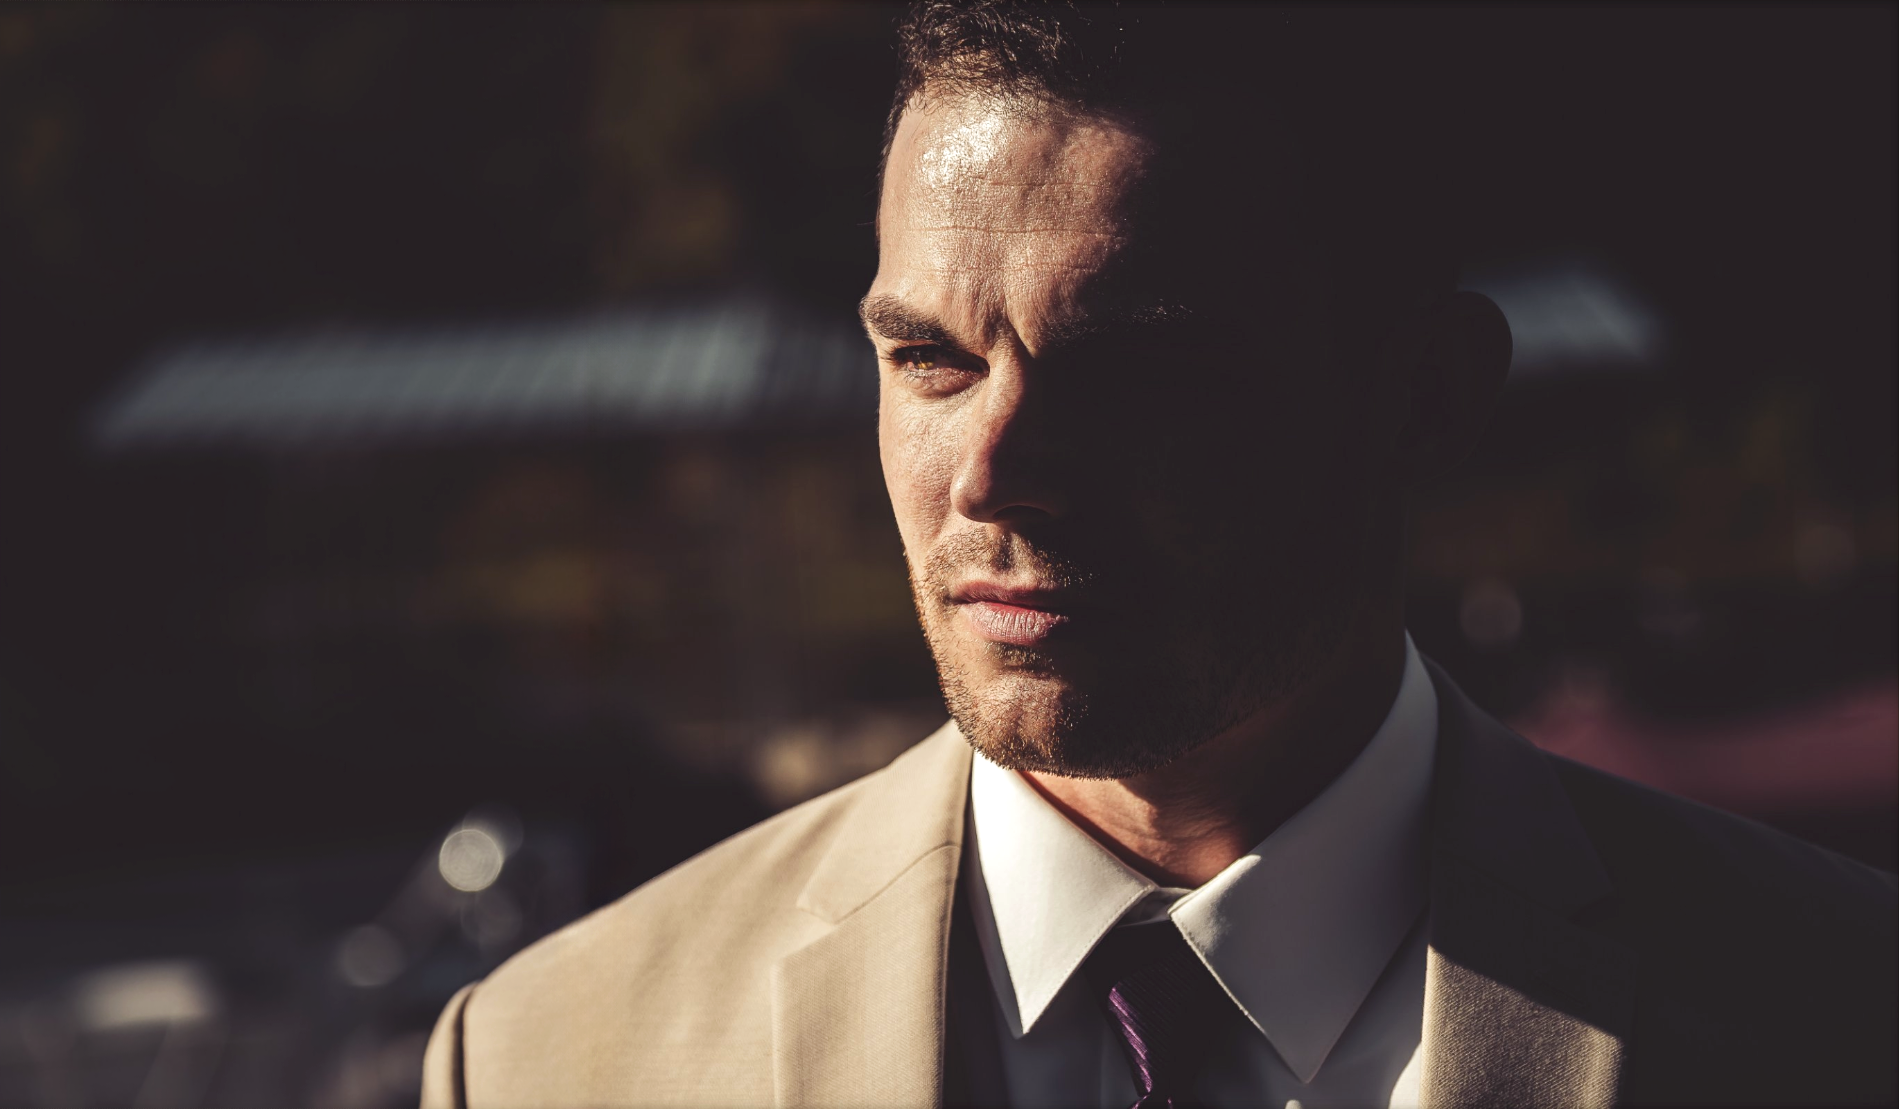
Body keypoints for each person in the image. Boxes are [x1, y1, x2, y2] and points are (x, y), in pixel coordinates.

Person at [420, 4, 1896, 1106]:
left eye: (1137, 370)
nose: (993, 474)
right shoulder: (552, 1058)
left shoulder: (1834, 1017)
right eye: (930, 361)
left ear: (1427, 397)